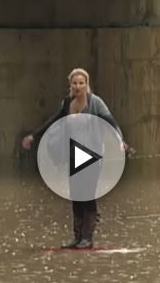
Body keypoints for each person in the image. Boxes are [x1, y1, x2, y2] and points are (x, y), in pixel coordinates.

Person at [21, 68, 128, 249]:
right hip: (74, 154)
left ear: (87, 85)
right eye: (75, 83)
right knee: (76, 196)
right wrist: (33, 135)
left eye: (81, 83)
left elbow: (111, 121)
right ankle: (78, 237)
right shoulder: (67, 103)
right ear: (70, 85)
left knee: (87, 195)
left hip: (93, 154)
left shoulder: (96, 103)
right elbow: (53, 120)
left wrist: (121, 140)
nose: (78, 86)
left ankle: (88, 238)